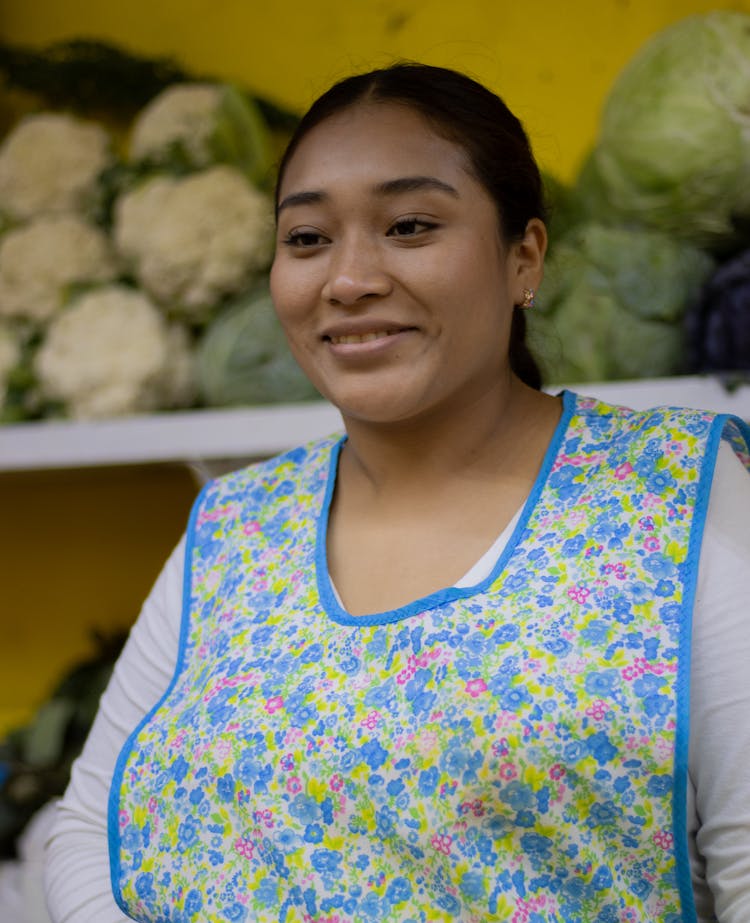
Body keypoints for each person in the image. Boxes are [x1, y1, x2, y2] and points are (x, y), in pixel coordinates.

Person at [44, 63, 750, 923]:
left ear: (523, 256)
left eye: (409, 226)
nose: (348, 279)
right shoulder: (234, 527)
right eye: (306, 239)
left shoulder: (672, 498)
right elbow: (89, 823)